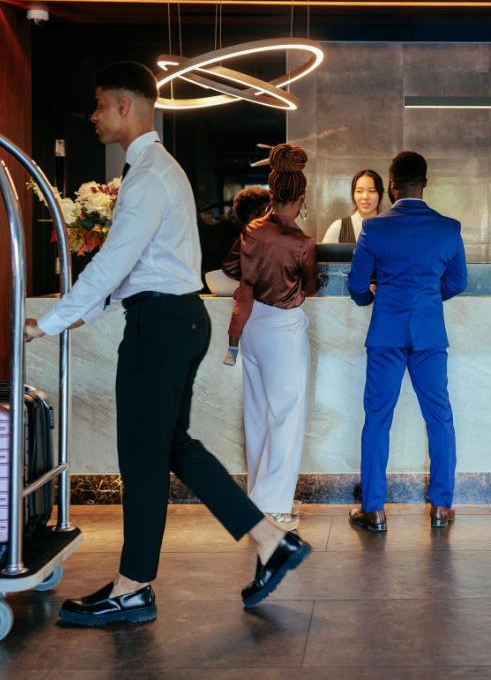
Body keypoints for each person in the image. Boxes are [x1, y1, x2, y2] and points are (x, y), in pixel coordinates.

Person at [24, 61, 312, 622]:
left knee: (142, 454)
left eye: (101, 104)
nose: (95, 115)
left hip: (161, 327)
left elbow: (115, 262)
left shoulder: (149, 174)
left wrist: (51, 321)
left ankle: (133, 587)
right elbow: (139, 269)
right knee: (169, 446)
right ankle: (269, 541)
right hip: (174, 319)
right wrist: (86, 313)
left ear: (125, 106)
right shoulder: (158, 170)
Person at [346, 151, 467, 532]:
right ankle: (441, 506)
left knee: (378, 419)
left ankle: (374, 510)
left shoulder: (374, 228)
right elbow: (457, 283)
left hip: (386, 334)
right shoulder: (449, 228)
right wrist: (429, 300)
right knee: (440, 417)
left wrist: (374, 299)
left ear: (391, 183)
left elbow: (355, 285)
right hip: (430, 334)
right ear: (425, 183)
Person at [222, 143, 318, 531]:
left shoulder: (250, 229)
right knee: (286, 417)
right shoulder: (303, 241)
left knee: (258, 415)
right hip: (282, 329)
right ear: (302, 197)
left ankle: (260, 499)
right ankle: (274, 506)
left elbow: (230, 267)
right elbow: (308, 285)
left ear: (273, 192)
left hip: (252, 328)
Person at [223, 186, 270, 367]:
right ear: (253, 216)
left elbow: (228, 266)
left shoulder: (265, 232)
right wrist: (247, 277)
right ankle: (232, 348)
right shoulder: (250, 232)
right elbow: (228, 266)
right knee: (240, 311)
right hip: (252, 286)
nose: (271, 213)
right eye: (268, 210)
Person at [322, 170, 384, 244]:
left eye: (371, 191)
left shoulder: (389, 227)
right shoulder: (338, 228)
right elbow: (325, 255)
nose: (365, 197)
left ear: (381, 195)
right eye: (359, 191)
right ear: (353, 195)